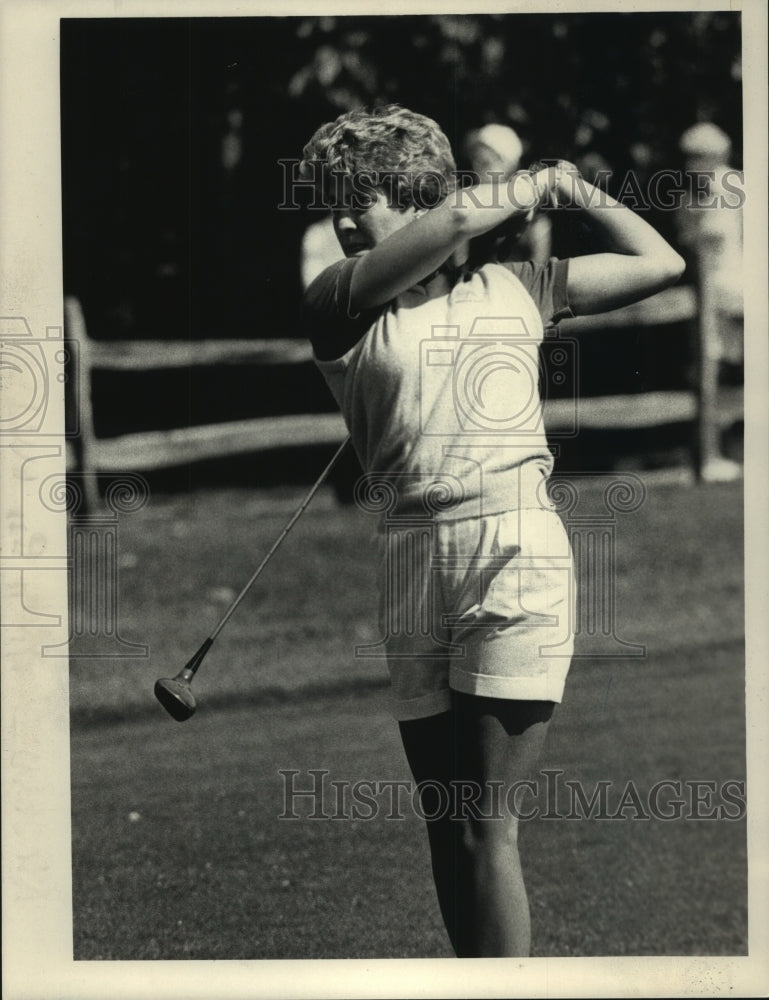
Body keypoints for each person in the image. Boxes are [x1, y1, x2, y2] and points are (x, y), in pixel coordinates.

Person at [299, 104, 684, 958]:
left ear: (414, 194)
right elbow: (457, 222)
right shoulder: (337, 297)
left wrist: (571, 187)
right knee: (447, 823)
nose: (341, 222)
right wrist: (531, 182)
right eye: (331, 205)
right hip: (410, 558)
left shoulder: (517, 286)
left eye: (358, 202)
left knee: (484, 821)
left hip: (511, 549)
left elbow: (660, 261)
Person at [463, 122, 552, 266]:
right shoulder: (467, 209)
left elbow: (540, 269)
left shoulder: (535, 220)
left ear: (509, 166)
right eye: (474, 163)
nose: (476, 171)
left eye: (485, 163)